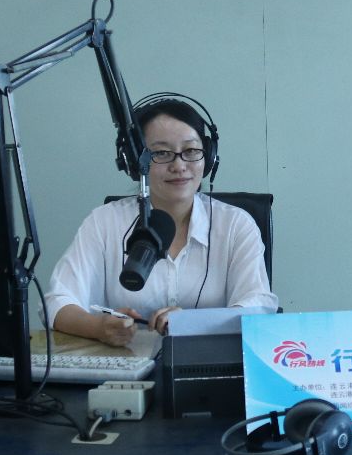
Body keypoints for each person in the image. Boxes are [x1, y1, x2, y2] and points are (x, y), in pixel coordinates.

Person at [44, 96, 277, 344]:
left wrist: (190, 322)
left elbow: (259, 307)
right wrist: (99, 327)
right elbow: (56, 303)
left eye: (191, 151)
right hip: (126, 360)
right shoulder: (104, 222)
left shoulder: (235, 225)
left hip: (209, 362)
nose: (179, 165)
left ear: (209, 157)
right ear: (137, 163)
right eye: (162, 153)